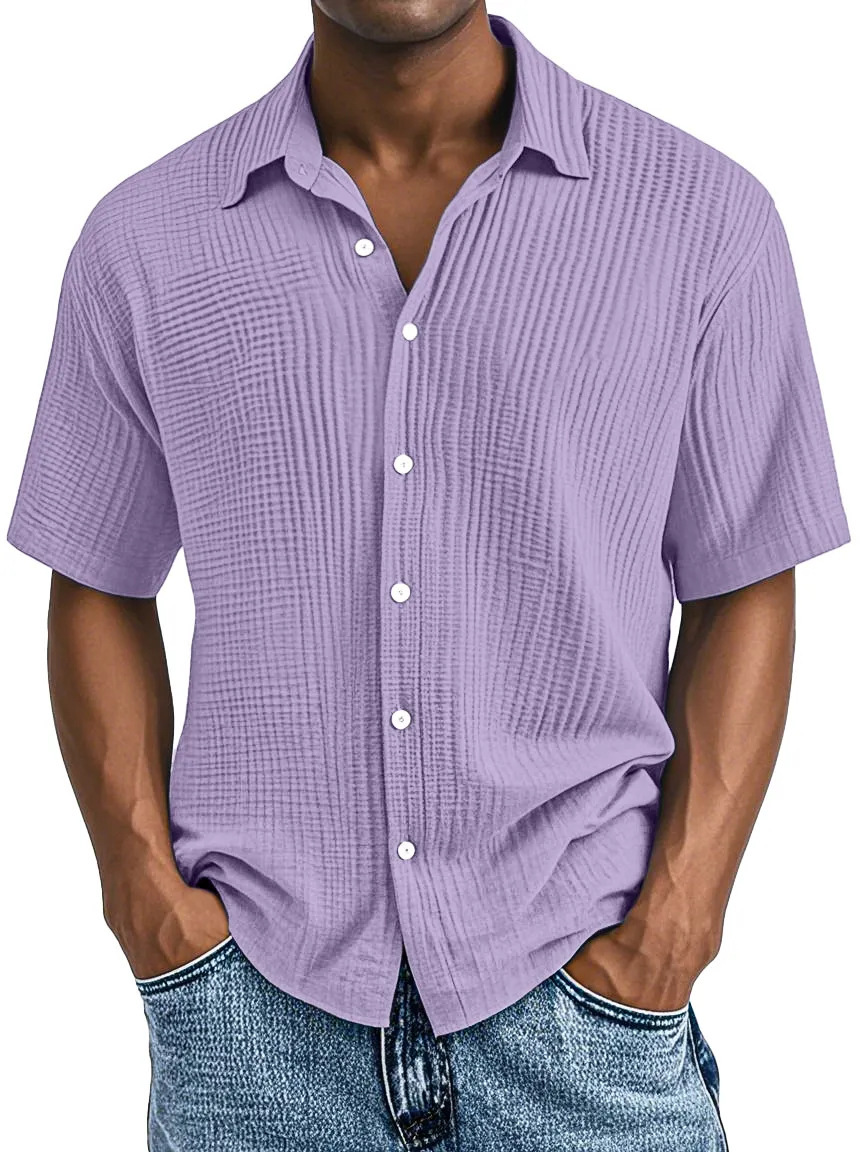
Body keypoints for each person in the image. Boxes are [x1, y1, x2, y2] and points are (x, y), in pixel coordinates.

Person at [7, 2, 850, 1149]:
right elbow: (99, 573)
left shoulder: (702, 218)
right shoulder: (146, 239)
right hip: (253, 1024)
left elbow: (744, 570)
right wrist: (141, 895)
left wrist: (679, 920)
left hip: (583, 1013)